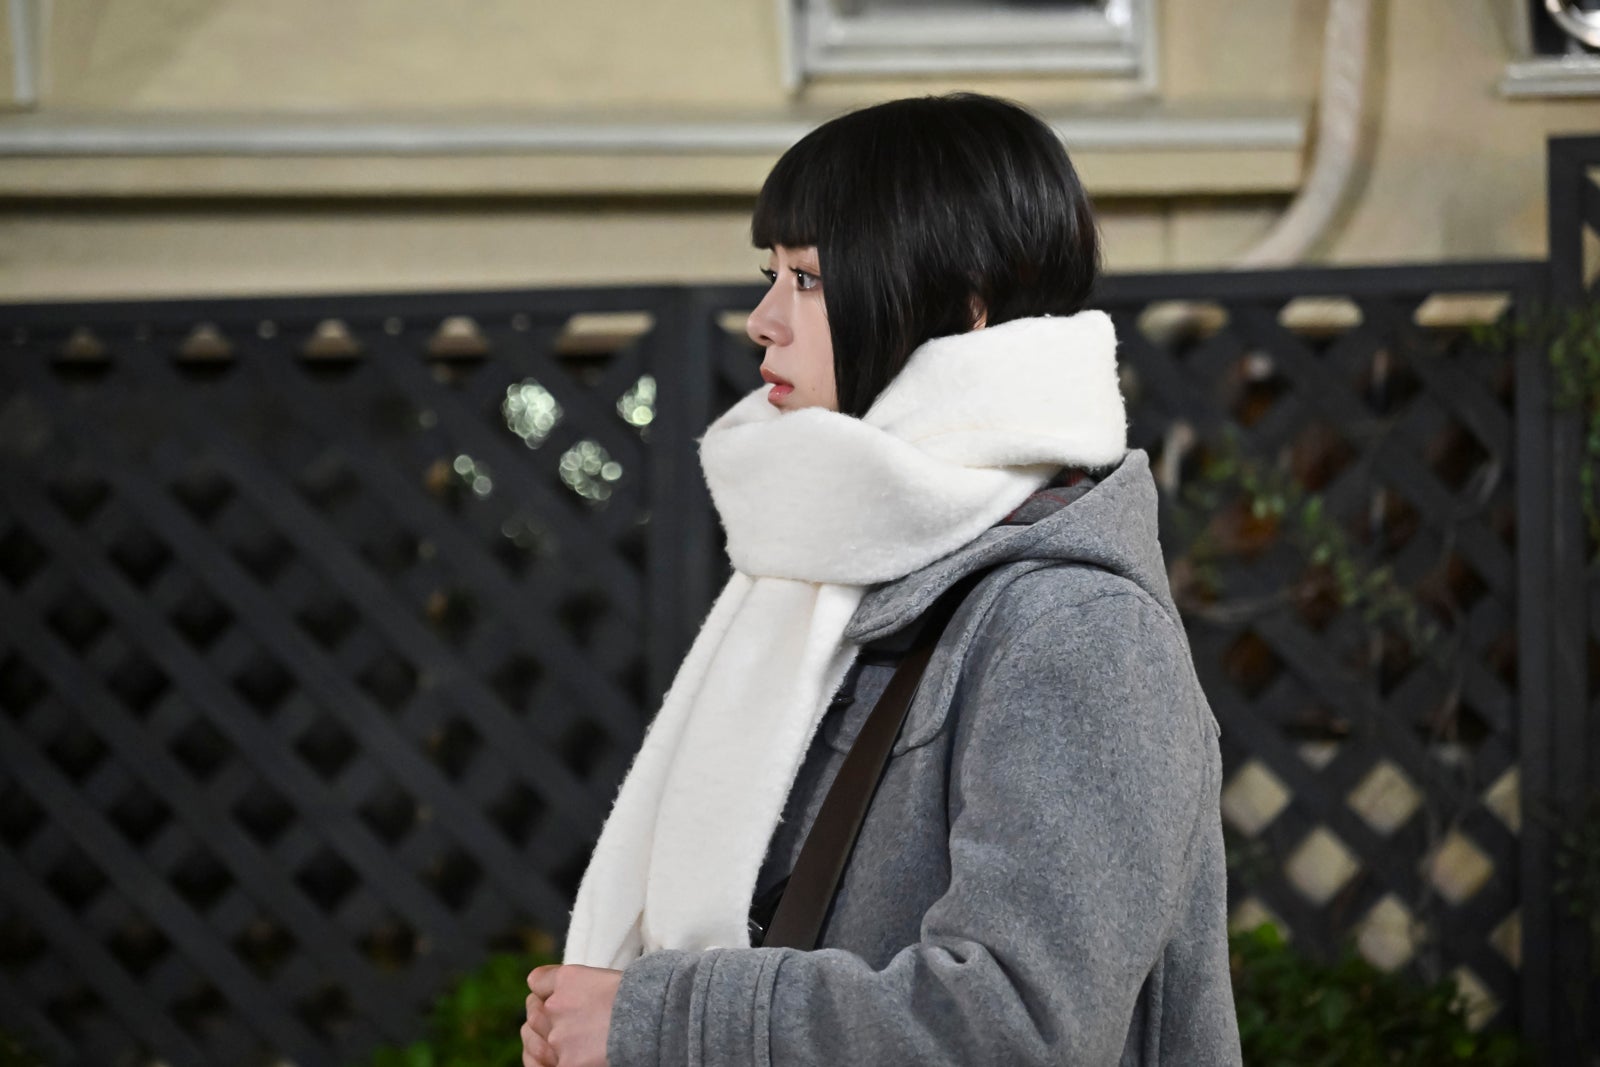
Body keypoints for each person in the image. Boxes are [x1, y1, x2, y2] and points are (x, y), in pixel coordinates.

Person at [522, 92, 1242, 1067]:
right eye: (771, 274)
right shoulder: (837, 577)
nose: (762, 320)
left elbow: (1021, 1027)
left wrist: (662, 1018)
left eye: (809, 279)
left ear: (968, 299)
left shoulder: (1073, 625)